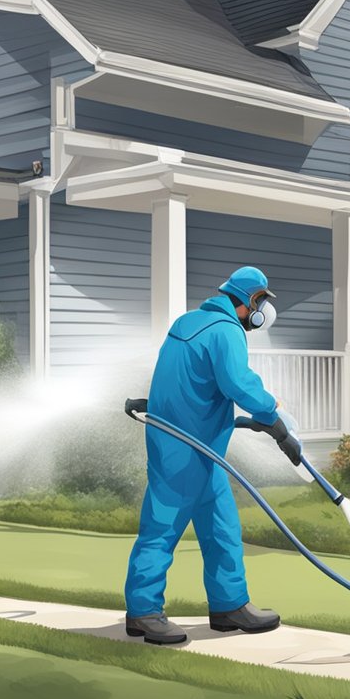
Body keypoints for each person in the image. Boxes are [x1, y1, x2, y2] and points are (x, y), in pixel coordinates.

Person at [124, 266, 302, 645]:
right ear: (250, 302)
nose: (264, 312)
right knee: (162, 527)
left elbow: (180, 376)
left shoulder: (189, 322)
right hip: (183, 448)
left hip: (199, 446)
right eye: (263, 301)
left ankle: (229, 605)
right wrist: (273, 412)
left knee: (221, 526)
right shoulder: (226, 331)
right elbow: (238, 383)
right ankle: (143, 612)